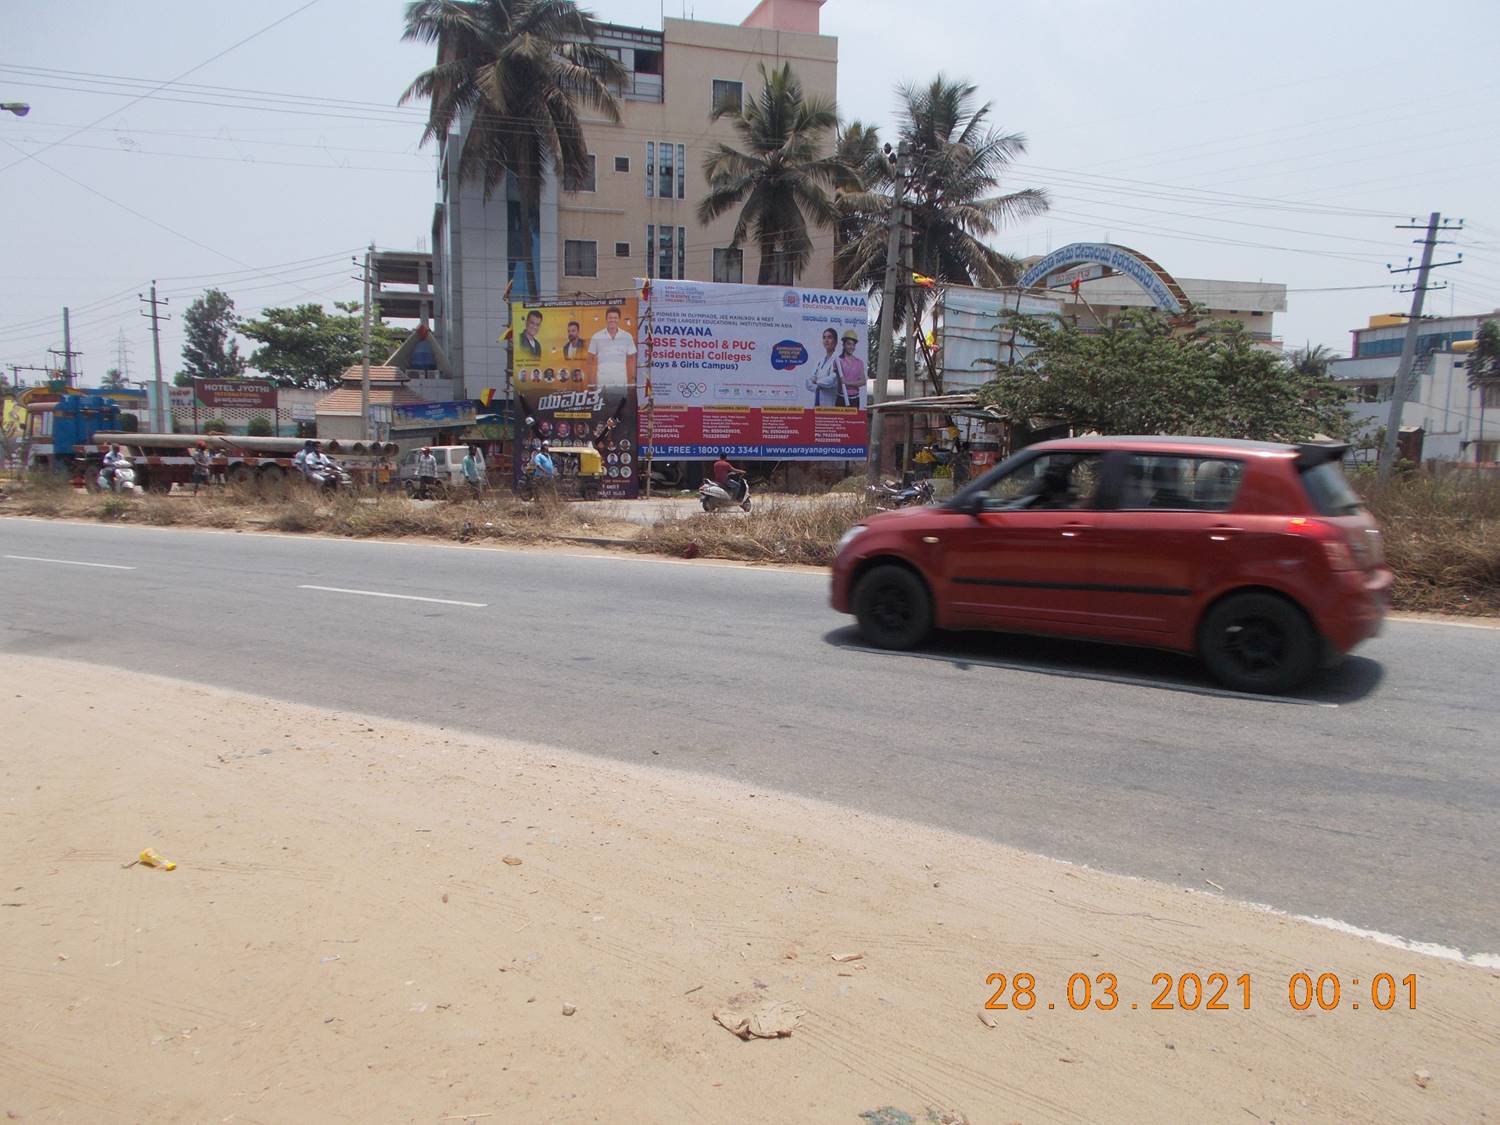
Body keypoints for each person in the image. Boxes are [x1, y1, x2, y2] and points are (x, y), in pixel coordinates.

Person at [588, 306, 636, 386]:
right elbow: (589, 359)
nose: (612, 320)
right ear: (606, 319)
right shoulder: (596, 336)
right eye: (610, 317)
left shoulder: (627, 337)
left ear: (619, 319)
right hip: (602, 383)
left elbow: (632, 360)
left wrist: (632, 380)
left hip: (621, 382)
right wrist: (591, 381)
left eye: (615, 318)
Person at [805, 328, 840, 406]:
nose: (826, 340)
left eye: (829, 337)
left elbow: (832, 381)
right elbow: (808, 382)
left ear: (835, 341)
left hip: (831, 404)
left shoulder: (838, 359)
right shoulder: (820, 361)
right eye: (824, 337)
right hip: (817, 402)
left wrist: (817, 381)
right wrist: (818, 386)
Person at [836, 329, 865, 408]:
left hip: (855, 400)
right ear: (844, 345)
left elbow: (863, 381)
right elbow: (834, 380)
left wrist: (847, 383)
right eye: (848, 344)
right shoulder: (838, 361)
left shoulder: (859, 362)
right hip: (841, 398)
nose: (851, 347)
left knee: (853, 420)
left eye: (853, 345)